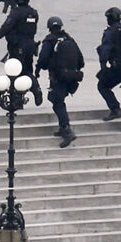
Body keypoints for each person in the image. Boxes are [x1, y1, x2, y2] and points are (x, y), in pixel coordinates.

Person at [36, 16, 85, 147]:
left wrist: (40, 69)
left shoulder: (49, 41)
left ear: (49, 28)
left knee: (57, 102)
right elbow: (81, 61)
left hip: (57, 77)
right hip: (72, 76)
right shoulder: (70, 39)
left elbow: (43, 59)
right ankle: (62, 127)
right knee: (59, 100)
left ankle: (67, 130)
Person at [0, 0, 43, 106]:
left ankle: (31, 91)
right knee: (27, 69)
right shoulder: (34, 13)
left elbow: (7, 26)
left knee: (15, 71)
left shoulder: (16, 13)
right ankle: (24, 95)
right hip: (30, 45)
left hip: (18, 46)